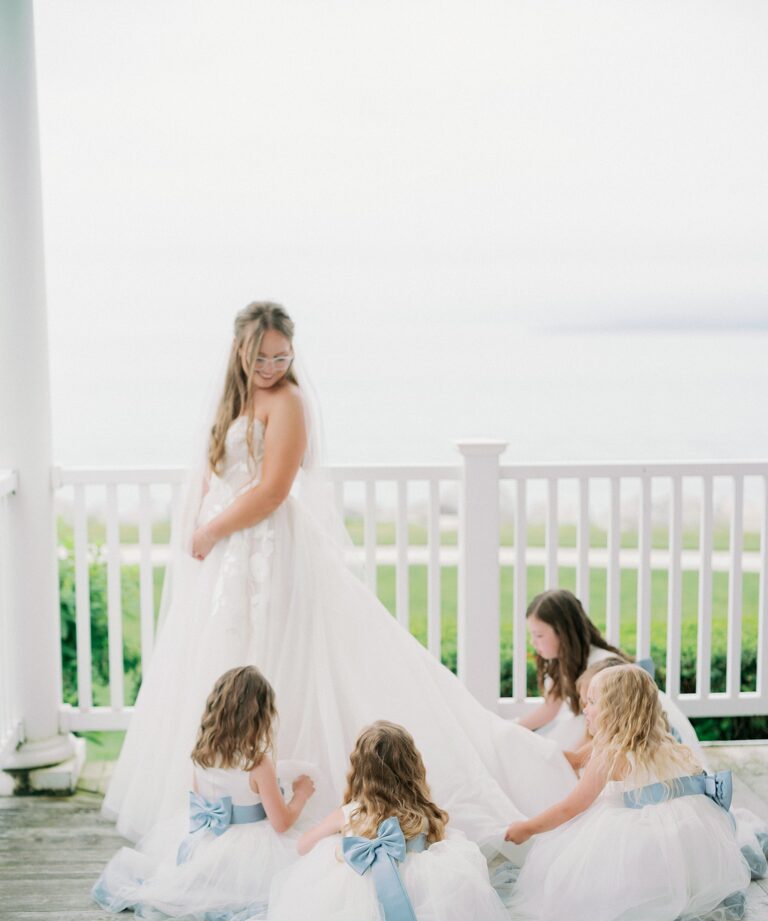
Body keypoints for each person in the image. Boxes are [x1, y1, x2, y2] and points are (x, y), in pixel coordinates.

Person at [103, 300, 576, 852]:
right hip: (230, 555)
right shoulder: (236, 398)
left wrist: (210, 531)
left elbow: (273, 490)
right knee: (226, 657)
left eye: (282, 357)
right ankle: (233, 792)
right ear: (239, 351)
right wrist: (204, 524)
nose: (272, 368)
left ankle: (285, 791)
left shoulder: (288, 402)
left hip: (267, 550)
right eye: (261, 357)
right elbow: (221, 473)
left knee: (283, 658)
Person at [220, 722, 513, 921]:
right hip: (419, 897)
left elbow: (303, 845)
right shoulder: (425, 814)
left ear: (359, 770)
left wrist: (339, 839)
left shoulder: (349, 812)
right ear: (412, 766)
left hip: (356, 902)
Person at [502, 665, 751, 921]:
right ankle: (681, 891)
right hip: (690, 835)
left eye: (592, 702)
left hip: (649, 842)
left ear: (615, 710)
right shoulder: (667, 744)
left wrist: (528, 828)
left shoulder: (610, 755)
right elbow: (576, 760)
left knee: (593, 854)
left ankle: (643, 898)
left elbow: (570, 808)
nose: (585, 708)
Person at [92, 666, 315, 921]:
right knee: (304, 871)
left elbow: (203, 802)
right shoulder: (257, 763)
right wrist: (301, 794)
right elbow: (281, 823)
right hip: (250, 854)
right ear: (261, 716)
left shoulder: (203, 754)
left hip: (209, 843)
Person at [518, 590, 703, 756]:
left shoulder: (603, 669)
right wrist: (515, 728)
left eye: (539, 635)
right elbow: (550, 708)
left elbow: (617, 725)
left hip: (630, 728)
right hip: (598, 723)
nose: (533, 642)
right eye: (532, 635)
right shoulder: (562, 661)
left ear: (564, 633)